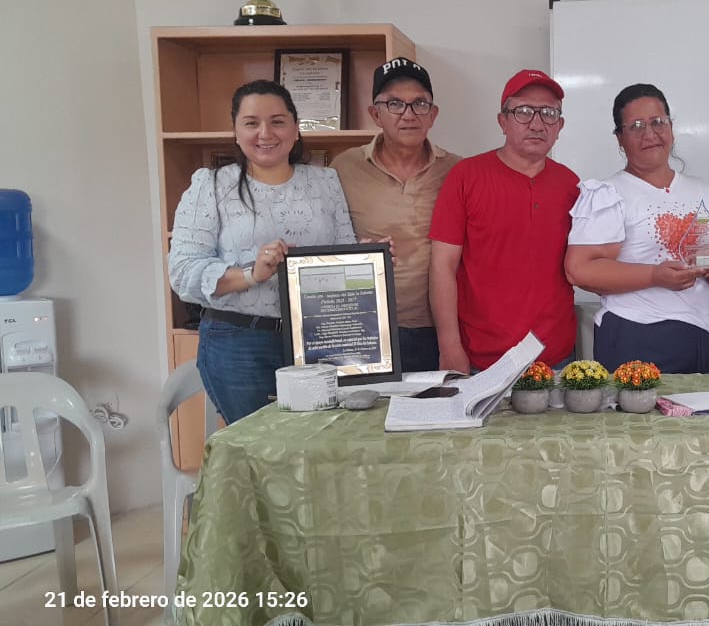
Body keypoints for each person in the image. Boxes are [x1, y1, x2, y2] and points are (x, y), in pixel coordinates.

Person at [169, 80, 356, 423]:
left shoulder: (326, 182)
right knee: (258, 446)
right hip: (239, 343)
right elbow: (183, 272)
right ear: (236, 131)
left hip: (319, 339)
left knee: (320, 442)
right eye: (251, 123)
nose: (265, 133)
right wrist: (250, 275)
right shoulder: (211, 185)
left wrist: (373, 260)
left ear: (296, 129)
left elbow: (344, 255)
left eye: (277, 121)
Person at [564, 83, 709, 373]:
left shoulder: (702, 192)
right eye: (636, 126)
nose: (650, 134)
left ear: (671, 128)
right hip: (635, 333)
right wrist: (654, 275)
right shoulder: (607, 194)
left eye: (658, 122)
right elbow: (580, 270)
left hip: (702, 334)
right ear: (620, 138)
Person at [428, 70, 580, 371]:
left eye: (549, 113)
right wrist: (449, 346)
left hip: (556, 358)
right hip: (481, 359)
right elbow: (442, 266)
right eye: (523, 111)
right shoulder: (466, 177)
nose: (536, 123)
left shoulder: (571, 185)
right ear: (502, 121)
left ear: (560, 126)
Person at [332, 58, 462, 372]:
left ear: (433, 114)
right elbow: (324, 243)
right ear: (375, 113)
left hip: (441, 328)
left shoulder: (458, 171)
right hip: (364, 326)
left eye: (419, 104)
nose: (408, 114)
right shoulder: (343, 168)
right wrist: (353, 252)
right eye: (394, 104)